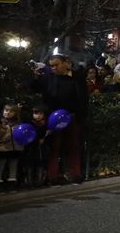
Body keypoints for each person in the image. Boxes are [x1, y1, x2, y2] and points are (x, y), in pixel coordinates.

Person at [30, 54, 89, 185]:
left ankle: (76, 175)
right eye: (52, 66)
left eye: (56, 65)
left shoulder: (77, 78)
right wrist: (35, 77)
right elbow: (34, 89)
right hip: (54, 118)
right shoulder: (49, 77)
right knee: (55, 146)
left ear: (65, 63)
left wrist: (81, 118)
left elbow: (84, 98)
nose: (54, 68)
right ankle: (53, 177)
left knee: (73, 146)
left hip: (73, 117)